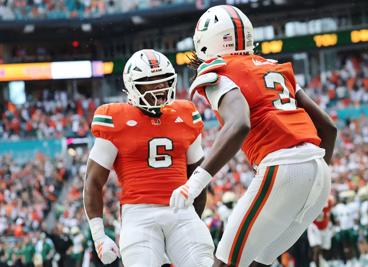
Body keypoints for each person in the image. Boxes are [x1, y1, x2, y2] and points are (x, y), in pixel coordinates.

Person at [169, 5, 337, 267]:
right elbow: (329, 128)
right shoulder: (273, 67)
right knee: (258, 262)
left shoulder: (220, 71)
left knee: (225, 262)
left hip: (282, 168)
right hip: (319, 174)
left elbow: (239, 124)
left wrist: (195, 182)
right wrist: (314, 173)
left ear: (205, 40)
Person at [83, 49, 214, 267]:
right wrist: (98, 235)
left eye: (164, 81)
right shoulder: (114, 119)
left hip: (181, 211)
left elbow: (198, 178)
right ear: (133, 85)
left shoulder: (185, 114)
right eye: (150, 82)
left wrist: (193, 218)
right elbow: (93, 182)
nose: (160, 88)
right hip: (139, 214)